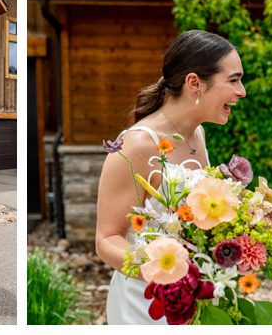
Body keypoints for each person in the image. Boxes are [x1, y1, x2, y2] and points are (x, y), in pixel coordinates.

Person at [94, 30, 245, 324]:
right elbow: (106, 239)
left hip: (196, 300)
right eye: (234, 80)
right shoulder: (136, 146)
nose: (242, 91)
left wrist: (254, 222)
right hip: (145, 306)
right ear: (194, 83)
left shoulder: (197, 135)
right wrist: (166, 274)